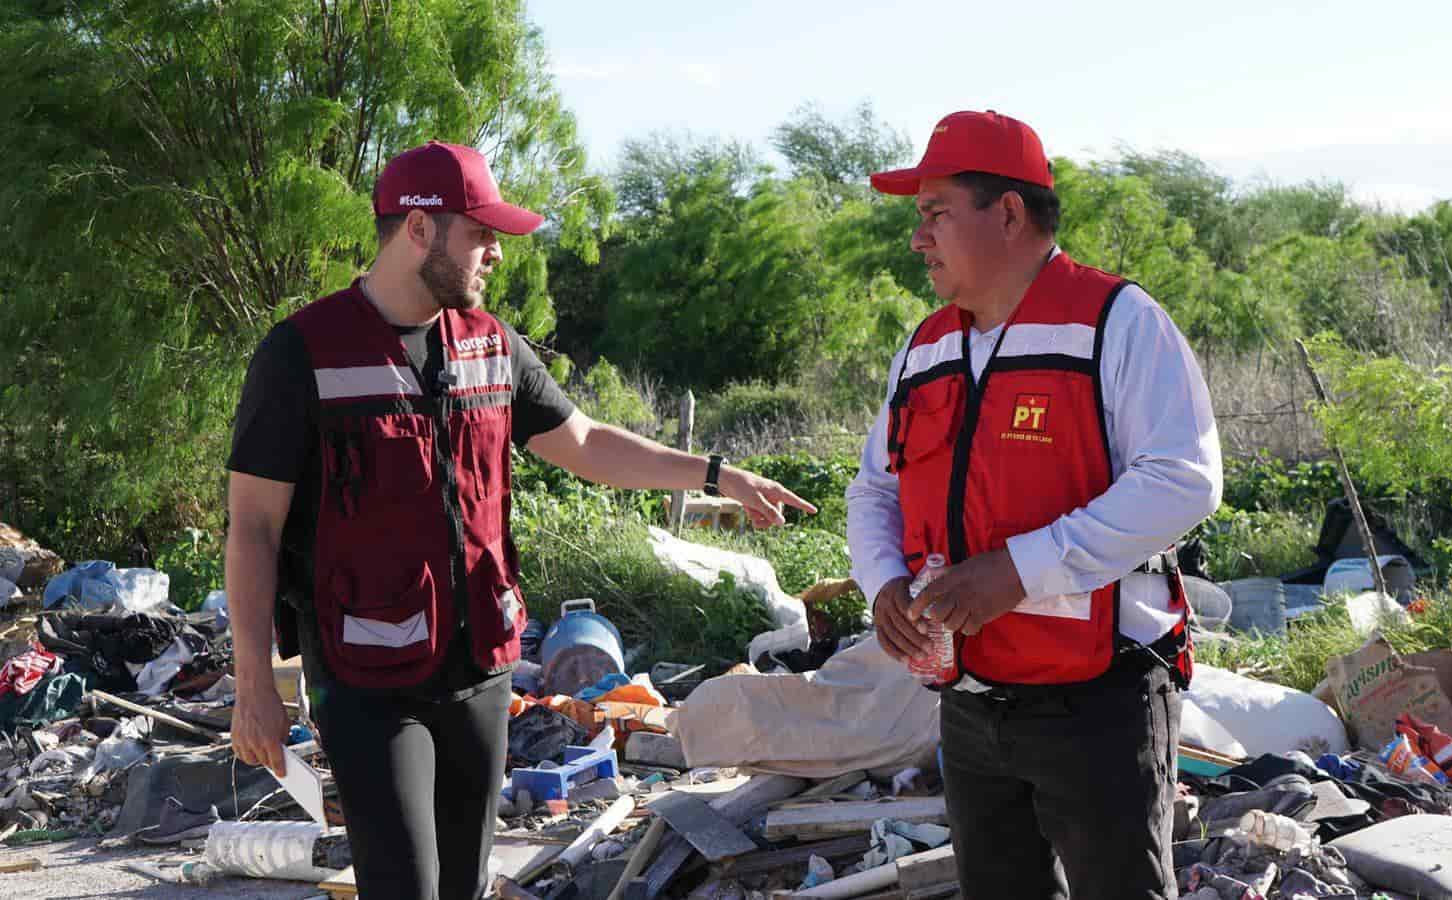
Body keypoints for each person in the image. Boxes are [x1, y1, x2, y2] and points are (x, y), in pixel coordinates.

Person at [225, 140, 816, 900]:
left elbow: (588, 444)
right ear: (418, 229)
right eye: (481, 233)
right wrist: (253, 684)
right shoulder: (301, 353)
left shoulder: (492, 347)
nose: (496, 254)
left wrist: (717, 475)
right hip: (367, 677)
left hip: (480, 668)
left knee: (467, 886)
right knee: (403, 885)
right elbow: (252, 529)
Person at [845, 111, 1222, 900]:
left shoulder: (1117, 323)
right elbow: (876, 487)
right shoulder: (925, 348)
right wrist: (882, 582)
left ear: (1009, 213)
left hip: (1099, 704)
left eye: (936, 212)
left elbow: (1185, 479)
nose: (919, 239)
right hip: (971, 707)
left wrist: (1020, 570)